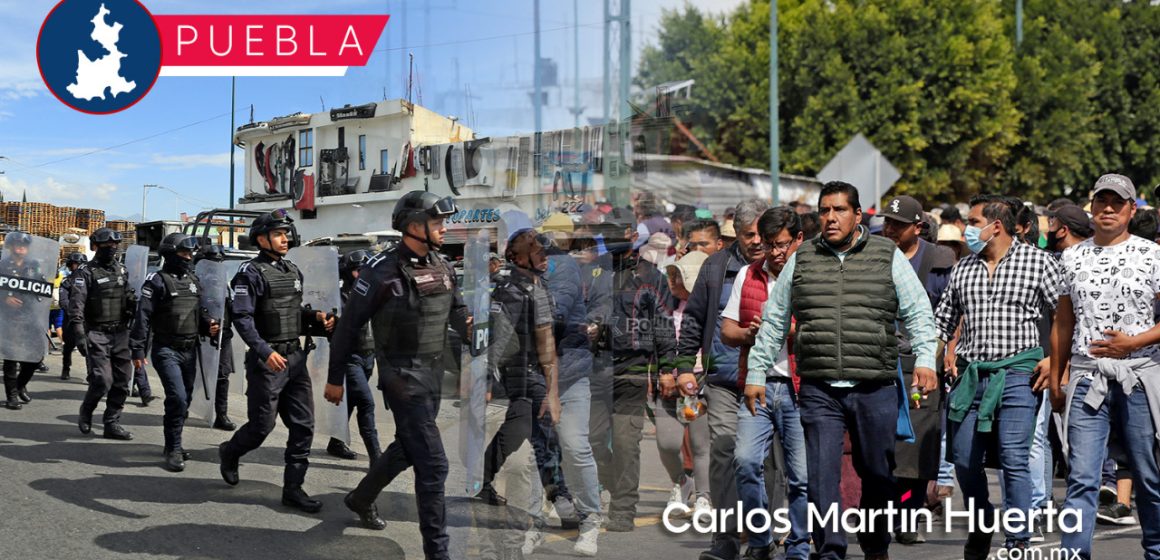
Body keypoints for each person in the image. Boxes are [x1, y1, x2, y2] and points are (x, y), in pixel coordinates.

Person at [748, 182, 938, 560]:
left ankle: (875, 545)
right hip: (820, 388)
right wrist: (756, 373)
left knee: (878, 473)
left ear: (857, 215)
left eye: (838, 210)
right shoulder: (803, 259)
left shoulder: (886, 254)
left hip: (875, 385)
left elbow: (918, 311)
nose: (830, 218)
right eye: (824, 210)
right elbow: (774, 320)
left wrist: (926, 360)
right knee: (820, 478)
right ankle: (831, 550)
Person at [326, 191, 468, 560]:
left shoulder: (442, 263)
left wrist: (479, 329)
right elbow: (348, 327)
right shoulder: (380, 270)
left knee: (408, 447)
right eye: (438, 222)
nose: (444, 228)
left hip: (433, 371)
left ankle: (360, 498)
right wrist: (335, 378)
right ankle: (438, 553)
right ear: (414, 226)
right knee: (433, 463)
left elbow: (458, 311)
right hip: (402, 376)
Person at [934, 194, 1062, 557]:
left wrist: (1055, 360)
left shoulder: (1039, 264)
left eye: (973, 222)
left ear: (996, 226)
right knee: (963, 460)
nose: (967, 229)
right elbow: (942, 321)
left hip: (1020, 373)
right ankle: (981, 522)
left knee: (1013, 456)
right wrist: (932, 361)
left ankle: (1018, 539)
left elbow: (1065, 316)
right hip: (971, 377)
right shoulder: (964, 268)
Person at [1051, 174, 1160, 559]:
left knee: (1148, 477)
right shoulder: (1071, 257)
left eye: (1118, 202)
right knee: (1081, 479)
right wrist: (1056, 379)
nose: (1108, 208)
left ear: (1132, 209)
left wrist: (1134, 342)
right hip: (1086, 378)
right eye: (1102, 201)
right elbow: (1063, 322)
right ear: (1091, 207)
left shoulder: (1153, 255)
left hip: (1139, 377)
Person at [218, 209, 336, 513]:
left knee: (303, 426)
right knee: (261, 426)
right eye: (278, 234)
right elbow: (242, 319)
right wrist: (263, 351)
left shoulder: (293, 271)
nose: (285, 239)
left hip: (294, 359)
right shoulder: (249, 273)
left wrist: (316, 318)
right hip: (267, 362)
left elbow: (293, 315)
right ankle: (230, 452)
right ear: (261, 239)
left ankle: (293, 489)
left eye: (286, 233)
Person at [675, 199, 769, 560]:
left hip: (769, 382)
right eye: (750, 235)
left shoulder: (783, 265)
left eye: (763, 234)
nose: (758, 242)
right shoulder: (716, 267)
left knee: (764, 461)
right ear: (737, 234)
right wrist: (685, 366)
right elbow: (695, 319)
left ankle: (765, 536)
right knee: (724, 453)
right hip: (725, 381)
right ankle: (725, 539)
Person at [722, 207, 809, 560]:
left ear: (799, 240)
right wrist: (748, 332)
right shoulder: (748, 274)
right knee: (745, 462)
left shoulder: (812, 276)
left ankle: (799, 545)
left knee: (801, 477)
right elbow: (727, 331)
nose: (775, 252)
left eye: (783, 244)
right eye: (770, 245)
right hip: (756, 387)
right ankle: (760, 541)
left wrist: (793, 332)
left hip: (799, 388)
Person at [880, 196, 956, 545]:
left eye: (898, 224)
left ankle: (906, 515)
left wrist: (948, 354)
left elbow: (955, 314)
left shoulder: (940, 261)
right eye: (888, 223)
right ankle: (879, 513)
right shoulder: (873, 254)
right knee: (879, 445)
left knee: (915, 451)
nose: (890, 229)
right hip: (879, 360)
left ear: (918, 227)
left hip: (922, 363)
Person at [601, 208, 677, 533]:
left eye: (621, 232)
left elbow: (663, 328)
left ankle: (622, 509)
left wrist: (667, 370)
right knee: (585, 441)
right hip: (592, 371)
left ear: (633, 235)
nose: (614, 239)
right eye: (608, 233)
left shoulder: (651, 278)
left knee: (625, 443)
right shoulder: (592, 272)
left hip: (632, 371)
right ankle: (609, 487)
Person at [130, 233, 219, 472]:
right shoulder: (156, 282)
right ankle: (174, 448)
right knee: (177, 397)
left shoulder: (193, 280)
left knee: (185, 400)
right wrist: (138, 350)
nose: (188, 257)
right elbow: (143, 317)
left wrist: (209, 324)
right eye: (184, 253)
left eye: (190, 253)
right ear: (170, 254)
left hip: (190, 350)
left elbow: (199, 312)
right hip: (166, 349)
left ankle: (172, 443)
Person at [659, 251, 712, 519]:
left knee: (700, 444)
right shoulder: (664, 305)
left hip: (695, 383)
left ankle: (704, 496)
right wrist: (662, 372)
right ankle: (681, 482)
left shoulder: (707, 306)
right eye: (670, 275)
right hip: (668, 385)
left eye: (677, 276)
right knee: (667, 443)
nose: (672, 281)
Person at [70, 228, 136, 439]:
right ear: (95, 247)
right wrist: (80, 334)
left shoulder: (122, 271)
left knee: (123, 381)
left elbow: (128, 295)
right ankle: (87, 410)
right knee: (102, 380)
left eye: (115, 245)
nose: (112, 249)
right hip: (97, 333)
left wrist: (132, 303)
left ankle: (111, 422)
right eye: (107, 246)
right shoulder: (85, 272)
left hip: (120, 333)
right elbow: (76, 306)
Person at [325, 249, 382, 465]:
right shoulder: (340, 296)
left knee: (351, 400)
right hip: (350, 357)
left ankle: (336, 441)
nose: (364, 274)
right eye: (359, 270)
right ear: (349, 272)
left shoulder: (373, 292)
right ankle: (376, 459)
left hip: (369, 355)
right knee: (366, 403)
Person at [1, 232, 51, 410]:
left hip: (30, 316)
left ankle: (20, 385)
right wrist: (5, 298)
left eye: (23, 245)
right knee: (11, 357)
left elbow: (42, 286)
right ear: (10, 246)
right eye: (16, 244)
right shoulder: (2, 265)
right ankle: (12, 396)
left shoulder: (33, 265)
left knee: (36, 356)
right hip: (8, 317)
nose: (20, 247)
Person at [194, 244, 237, 431]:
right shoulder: (194, 281)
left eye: (219, 262)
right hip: (199, 334)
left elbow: (232, 307)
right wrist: (205, 322)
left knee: (222, 375)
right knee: (195, 372)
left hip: (223, 333)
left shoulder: (226, 284)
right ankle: (186, 404)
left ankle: (221, 414)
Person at [58, 252, 87, 381]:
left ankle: (91, 373)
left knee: (88, 347)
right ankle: (66, 369)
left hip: (86, 320)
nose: (77, 267)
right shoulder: (67, 281)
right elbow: (63, 301)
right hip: (71, 319)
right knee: (68, 346)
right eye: (75, 264)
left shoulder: (89, 280)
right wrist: (75, 312)